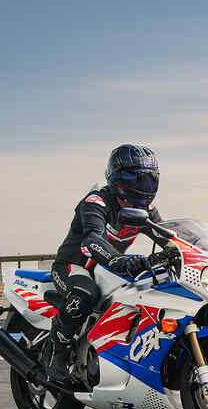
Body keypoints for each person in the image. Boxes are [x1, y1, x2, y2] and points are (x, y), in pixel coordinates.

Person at [46, 143, 162, 384]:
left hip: (107, 270)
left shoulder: (146, 209)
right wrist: (119, 260)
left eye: (151, 180)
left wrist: (188, 250)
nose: (147, 187)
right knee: (83, 294)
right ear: (122, 181)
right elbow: (92, 239)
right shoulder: (97, 201)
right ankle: (56, 354)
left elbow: (166, 235)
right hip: (74, 266)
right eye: (141, 180)